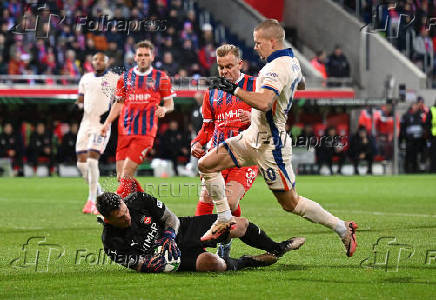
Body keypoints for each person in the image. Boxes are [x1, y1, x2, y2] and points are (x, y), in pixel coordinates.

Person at [199, 19, 358, 257]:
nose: (255, 47)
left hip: (270, 144)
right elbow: (301, 84)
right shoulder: (292, 63)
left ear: (272, 42)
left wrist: (234, 90)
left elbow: (264, 102)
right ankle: (223, 219)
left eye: (258, 43)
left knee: (290, 203)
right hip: (252, 136)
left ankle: (341, 228)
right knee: (206, 164)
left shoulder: (276, 68)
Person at [97, 191, 305, 273]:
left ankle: (277, 248)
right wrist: (158, 262)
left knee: (235, 223)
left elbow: (171, 218)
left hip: (182, 230)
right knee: (212, 264)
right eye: (121, 217)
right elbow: (139, 264)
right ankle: (247, 262)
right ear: (108, 219)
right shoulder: (111, 243)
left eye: (125, 211)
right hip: (170, 256)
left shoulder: (137, 200)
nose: (127, 216)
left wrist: (169, 235)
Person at [190, 44, 258, 258]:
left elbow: (276, 115)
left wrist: (256, 118)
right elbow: (208, 127)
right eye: (221, 67)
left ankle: (225, 241)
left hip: (245, 156)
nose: (225, 71)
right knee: (206, 199)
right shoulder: (212, 92)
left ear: (240, 64)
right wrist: (198, 143)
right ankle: (195, 247)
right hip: (216, 155)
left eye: (229, 66)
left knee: (228, 201)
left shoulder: (256, 86)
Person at [101, 40, 175, 198]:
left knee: (127, 174)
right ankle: (146, 204)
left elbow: (170, 104)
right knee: (122, 178)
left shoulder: (161, 78)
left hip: (145, 133)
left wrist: (164, 109)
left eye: (146, 55)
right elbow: (118, 104)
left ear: (152, 57)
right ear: (134, 57)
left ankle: (112, 209)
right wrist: (107, 122)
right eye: (140, 55)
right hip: (125, 131)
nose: (143, 58)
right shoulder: (125, 78)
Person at [76, 52, 118, 215]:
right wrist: (81, 106)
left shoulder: (114, 79)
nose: (98, 62)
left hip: (101, 124)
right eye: (95, 59)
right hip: (86, 123)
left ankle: (92, 201)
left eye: (102, 59)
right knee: (82, 164)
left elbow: (118, 101)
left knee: (93, 160)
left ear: (108, 62)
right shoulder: (85, 79)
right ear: (91, 62)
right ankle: (101, 196)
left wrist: (108, 119)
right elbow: (80, 100)